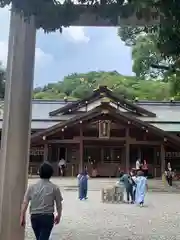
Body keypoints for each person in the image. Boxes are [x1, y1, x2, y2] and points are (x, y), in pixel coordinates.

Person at [20, 162, 63, 240]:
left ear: (39, 172)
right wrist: (59, 215)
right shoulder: (55, 188)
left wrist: (22, 216)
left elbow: (25, 202)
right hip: (47, 218)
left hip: (34, 217)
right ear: (51, 173)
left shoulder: (31, 187)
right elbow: (59, 204)